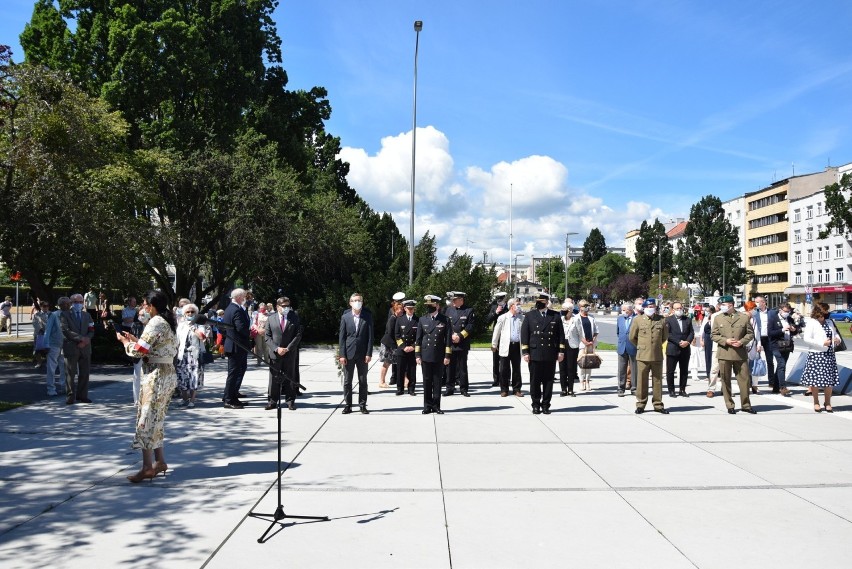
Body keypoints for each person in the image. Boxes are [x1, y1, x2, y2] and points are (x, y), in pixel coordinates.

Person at [116, 289, 179, 483]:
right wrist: (136, 341)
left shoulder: (155, 321)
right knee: (156, 419)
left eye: (144, 304)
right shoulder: (167, 321)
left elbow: (139, 352)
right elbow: (156, 346)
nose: (142, 308)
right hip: (167, 373)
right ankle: (159, 461)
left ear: (151, 306)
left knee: (145, 420)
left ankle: (146, 467)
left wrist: (126, 343)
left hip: (156, 376)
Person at [521, 293, 565, 415]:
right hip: (534, 353)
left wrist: (561, 351)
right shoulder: (530, 315)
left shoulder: (555, 315)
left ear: (546, 302)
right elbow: (525, 335)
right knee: (535, 381)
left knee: (548, 381)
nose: (539, 304)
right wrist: (525, 352)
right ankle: (535, 404)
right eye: (538, 301)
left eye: (541, 302)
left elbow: (561, 335)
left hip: (550, 353)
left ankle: (546, 405)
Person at [711, 295, 756, 414]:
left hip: (740, 353)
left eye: (723, 305)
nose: (721, 307)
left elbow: (750, 334)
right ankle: (729, 405)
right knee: (725, 380)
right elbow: (713, 335)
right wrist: (725, 341)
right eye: (721, 305)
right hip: (724, 353)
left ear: (730, 305)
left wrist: (741, 342)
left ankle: (746, 405)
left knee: (744, 380)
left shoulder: (743, 317)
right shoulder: (718, 318)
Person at [629, 298, 669, 414]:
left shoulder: (661, 320)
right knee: (642, 381)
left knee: (657, 381)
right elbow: (632, 337)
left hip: (656, 354)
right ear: (644, 308)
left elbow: (664, 337)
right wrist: (642, 346)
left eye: (653, 306)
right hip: (642, 355)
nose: (651, 308)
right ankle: (641, 404)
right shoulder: (638, 320)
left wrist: (654, 346)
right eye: (649, 307)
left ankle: (658, 404)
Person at [800, 304, 842, 412]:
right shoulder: (812, 322)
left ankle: (827, 402)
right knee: (816, 381)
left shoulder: (830, 322)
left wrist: (837, 339)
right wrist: (822, 343)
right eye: (826, 310)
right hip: (816, 354)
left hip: (829, 354)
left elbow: (836, 334)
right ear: (820, 311)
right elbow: (807, 338)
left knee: (829, 381)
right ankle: (816, 402)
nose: (828, 312)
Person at [415, 295, 452, 414]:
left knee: (437, 382)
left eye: (432, 305)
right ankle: (427, 405)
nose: (429, 307)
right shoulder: (422, 319)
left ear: (437, 306)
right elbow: (418, 339)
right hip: (426, 354)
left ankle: (436, 406)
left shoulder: (445, 319)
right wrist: (417, 355)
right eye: (427, 306)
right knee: (426, 381)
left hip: (439, 355)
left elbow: (448, 340)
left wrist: (447, 356)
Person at [338, 292, 373, 414]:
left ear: (362, 302)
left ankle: (362, 405)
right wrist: (342, 355)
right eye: (354, 300)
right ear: (350, 303)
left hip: (363, 354)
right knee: (348, 381)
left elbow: (370, 337)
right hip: (349, 353)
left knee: (363, 380)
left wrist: (369, 353)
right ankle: (348, 405)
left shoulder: (367, 316)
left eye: (359, 300)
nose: (357, 302)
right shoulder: (345, 317)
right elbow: (342, 338)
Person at [265, 297, 302, 410]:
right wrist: (276, 348)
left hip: (289, 353)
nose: (286, 308)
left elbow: (298, 335)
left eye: (288, 306)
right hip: (275, 353)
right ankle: (272, 401)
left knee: (290, 377)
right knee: (274, 378)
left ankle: (290, 401)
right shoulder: (271, 318)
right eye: (284, 306)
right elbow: (267, 336)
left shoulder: (294, 318)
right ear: (277, 307)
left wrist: (288, 348)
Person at [60, 294, 95, 404]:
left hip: (85, 348)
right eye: (76, 302)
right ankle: (70, 396)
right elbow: (65, 330)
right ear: (71, 303)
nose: (79, 304)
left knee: (85, 373)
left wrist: (87, 339)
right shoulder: (64, 314)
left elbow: (91, 329)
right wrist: (80, 339)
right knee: (70, 373)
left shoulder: (87, 315)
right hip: (72, 347)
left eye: (81, 302)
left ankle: (82, 395)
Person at [222, 288, 251, 409]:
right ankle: (229, 399)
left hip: (234, 345)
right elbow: (240, 328)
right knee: (233, 373)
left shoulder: (230, 308)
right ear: (239, 297)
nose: (245, 298)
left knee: (235, 372)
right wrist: (250, 333)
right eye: (244, 296)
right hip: (236, 346)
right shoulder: (236, 310)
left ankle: (232, 396)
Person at [175, 303, 208, 408]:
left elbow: (202, 337)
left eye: (192, 312)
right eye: (188, 312)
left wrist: (193, 328)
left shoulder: (199, 325)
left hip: (194, 355)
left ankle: (192, 400)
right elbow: (177, 340)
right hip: (182, 354)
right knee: (182, 377)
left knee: (194, 377)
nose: (190, 313)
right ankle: (185, 399)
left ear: (196, 313)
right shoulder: (181, 325)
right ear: (184, 313)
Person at [491, 298, 524, 397]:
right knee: (504, 369)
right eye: (517, 304)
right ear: (511, 306)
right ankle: (504, 389)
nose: (518, 306)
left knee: (516, 368)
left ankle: (517, 389)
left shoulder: (521, 318)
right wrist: (494, 344)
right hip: (506, 346)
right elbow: (497, 331)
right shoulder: (503, 317)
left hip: (517, 345)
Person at [445, 291, 475, 396]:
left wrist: (460, 336)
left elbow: (470, 326)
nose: (453, 302)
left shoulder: (469, 310)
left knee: (462, 367)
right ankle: (449, 388)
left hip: (462, 343)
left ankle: (464, 388)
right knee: (450, 367)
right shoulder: (448, 310)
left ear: (461, 300)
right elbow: (446, 325)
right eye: (452, 300)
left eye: (455, 300)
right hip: (451, 343)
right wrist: (452, 335)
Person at [766, 302, 799, 397]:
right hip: (776, 345)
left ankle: (776, 387)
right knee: (781, 364)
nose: (787, 313)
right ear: (780, 310)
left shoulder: (789, 318)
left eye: (789, 311)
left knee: (781, 366)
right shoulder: (773, 319)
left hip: (787, 345)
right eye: (785, 311)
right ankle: (782, 387)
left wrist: (794, 329)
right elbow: (770, 333)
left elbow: (795, 330)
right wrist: (782, 330)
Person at [665, 301, 694, 397]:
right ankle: (671, 390)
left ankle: (682, 389)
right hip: (673, 348)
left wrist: (687, 342)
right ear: (673, 310)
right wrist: (678, 342)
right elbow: (667, 334)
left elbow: (691, 333)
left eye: (680, 308)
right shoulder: (668, 320)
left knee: (684, 370)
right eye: (677, 308)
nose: (679, 310)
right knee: (670, 371)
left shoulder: (688, 319)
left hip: (685, 349)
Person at [394, 299, 419, 396]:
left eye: (412, 308)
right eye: (408, 308)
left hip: (412, 349)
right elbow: (397, 335)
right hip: (402, 349)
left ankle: (411, 388)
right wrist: (403, 347)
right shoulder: (399, 320)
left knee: (412, 370)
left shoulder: (418, 320)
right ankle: (400, 388)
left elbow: (419, 336)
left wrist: (413, 347)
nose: (410, 310)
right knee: (400, 369)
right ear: (405, 308)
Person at [42, 300, 66, 396]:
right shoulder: (54, 315)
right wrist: (46, 344)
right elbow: (47, 330)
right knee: (51, 368)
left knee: (64, 367)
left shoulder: (70, 314)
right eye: (65, 304)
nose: (68, 305)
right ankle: (51, 388)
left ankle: (64, 386)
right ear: (60, 305)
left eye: (69, 303)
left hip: (65, 345)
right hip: (53, 344)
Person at [485, 292, 509, 387]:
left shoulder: (508, 307)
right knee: (496, 359)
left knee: (506, 358)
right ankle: (496, 379)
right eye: (498, 300)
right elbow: (487, 320)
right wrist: (495, 313)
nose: (499, 301)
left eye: (501, 299)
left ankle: (507, 378)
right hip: (497, 336)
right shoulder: (494, 307)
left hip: (507, 335)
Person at [753, 295, 777, 392]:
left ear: (763, 302)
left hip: (768, 338)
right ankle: (754, 383)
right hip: (757, 338)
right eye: (755, 302)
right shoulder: (754, 312)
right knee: (755, 360)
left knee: (770, 361)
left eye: (758, 302)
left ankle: (771, 381)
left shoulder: (772, 312)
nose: (756, 304)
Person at [574, 299, 599, 391]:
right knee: (582, 363)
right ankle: (581, 382)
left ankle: (587, 381)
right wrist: (584, 341)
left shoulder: (591, 318)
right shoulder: (576, 318)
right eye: (585, 306)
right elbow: (576, 332)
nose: (587, 308)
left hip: (591, 344)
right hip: (582, 344)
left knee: (589, 363)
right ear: (580, 307)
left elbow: (596, 330)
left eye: (587, 306)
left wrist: (593, 340)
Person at [379, 300, 403, 389]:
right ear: (395, 310)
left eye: (401, 309)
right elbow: (390, 333)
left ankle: (405, 381)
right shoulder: (392, 318)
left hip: (394, 344)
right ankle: (381, 382)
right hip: (388, 344)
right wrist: (396, 345)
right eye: (398, 309)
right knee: (387, 362)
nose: (400, 311)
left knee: (400, 362)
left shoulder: (399, 318)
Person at [558, 299, 580, 397]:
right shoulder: (560, 319)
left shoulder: (576, 319)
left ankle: (570, 389)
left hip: (572, 345)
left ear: (570, 310)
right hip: (562, 345)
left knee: (571, 368)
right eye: (562, 308)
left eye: (564, 309)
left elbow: (580, 333)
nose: (563, 310)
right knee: (562, 367)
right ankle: (563, 389)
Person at [615, 302, 637, 397]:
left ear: (631, 310)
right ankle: (621, 388)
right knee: (621, 369)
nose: (623, 312)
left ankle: (634, 388)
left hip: (633, 347)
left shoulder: (637, 318)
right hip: (622, 346)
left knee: (634, 369)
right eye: (622, 310)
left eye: (625, 310)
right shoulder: (620, 319)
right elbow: (618, 332)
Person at [31, 300, 50, 367]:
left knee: (48, 349)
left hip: (49, 335)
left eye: (47, 306)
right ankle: (39, 362)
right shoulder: (37, 315)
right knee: (37, 349)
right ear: (41, 307)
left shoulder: (51, 314)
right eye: (44, 306)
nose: (46, 308)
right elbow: (35, 324)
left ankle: (49, 362)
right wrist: (41, 329)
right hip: (39, 335)